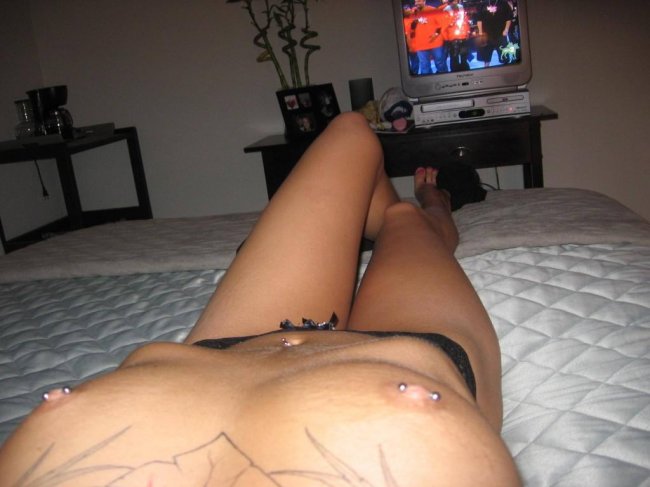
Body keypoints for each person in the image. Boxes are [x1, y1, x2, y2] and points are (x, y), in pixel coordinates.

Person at [0, 112, 521, 486]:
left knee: (350, 132)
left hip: (224, 350)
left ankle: (386, 213)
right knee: (402, 217)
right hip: (412, 349)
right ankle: (430, 205)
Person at [403, 0, 448, 74]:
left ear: (424, 1)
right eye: (416, 2)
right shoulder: (413, 13)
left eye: (419, 1)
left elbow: (442, 24)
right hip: (421, 45)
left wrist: (436, 34)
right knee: (424, 66)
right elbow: (409, 29)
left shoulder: (432, 10)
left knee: (440, 63)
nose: (417, 3)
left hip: (435, 43)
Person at [476, 0, 514, 67]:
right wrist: (480, 32)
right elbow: (479, 19)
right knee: (486, 55)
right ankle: (486, 67)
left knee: (504, 54)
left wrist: (506, 29)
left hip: (500, 33)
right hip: (487, 34)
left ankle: (506, 67)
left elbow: (508, 18)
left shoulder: (503, 3)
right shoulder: (483, 4)